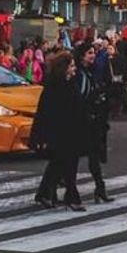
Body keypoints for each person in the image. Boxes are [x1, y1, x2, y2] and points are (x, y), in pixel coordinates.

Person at [31, 50, 87, 210]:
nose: (74, 69)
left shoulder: (70, 82)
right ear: (64, 67)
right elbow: (45, 111)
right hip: (60, 131)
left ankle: (44, 193)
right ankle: (71, 197)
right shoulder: (54, 85)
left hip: (71, 130)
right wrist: (41, 134)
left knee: (59, 164)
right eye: (72, 66)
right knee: (66, 164)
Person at [74, 42, 113, 202]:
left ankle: (100, 187)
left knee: (93, 156)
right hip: (83, 121)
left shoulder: (90, 72)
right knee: (71, 158)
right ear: (82, 55)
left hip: (93, 120)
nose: (93, 56)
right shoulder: (79, 74)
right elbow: (80, 97)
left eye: (93, 53)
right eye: (90, 53)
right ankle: (55, 188)